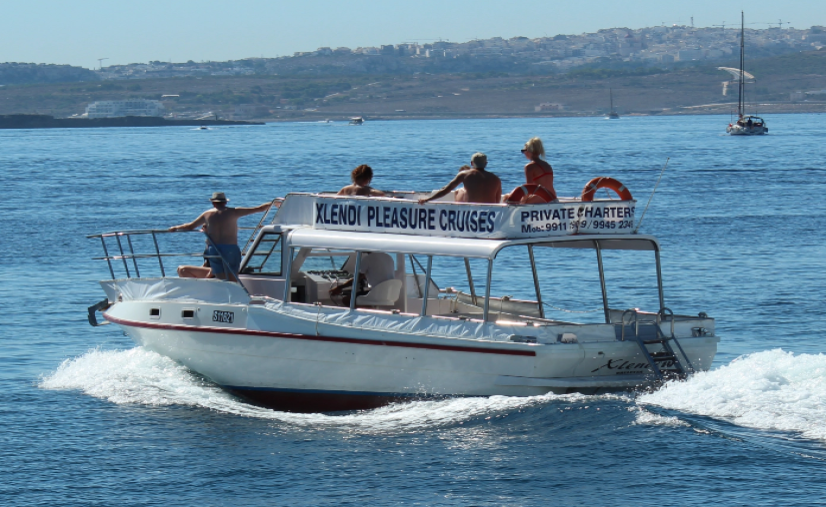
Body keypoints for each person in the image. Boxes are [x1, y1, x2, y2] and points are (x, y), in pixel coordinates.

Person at [169, 192, 272, 280]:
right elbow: (259, 209)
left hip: (214, 249)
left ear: (213, 203)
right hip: (230, 248)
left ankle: (221, 293)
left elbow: (190, 226)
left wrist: (175, 227)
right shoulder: (234, 212)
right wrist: (273, 203)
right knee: (232, 277)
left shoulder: (207, 214)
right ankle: (235, 293)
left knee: (220, 277)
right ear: (225, 202)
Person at [418, 153, 502, 205]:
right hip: (490, 213)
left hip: (472, 212)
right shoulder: (496, 179)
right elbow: (497, 201)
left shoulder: (464, 174)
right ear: (486, 163)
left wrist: (428, 199)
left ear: (472, 163)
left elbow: (446, 190)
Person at [329, 251, 395, 307]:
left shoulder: (368, 259)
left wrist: (339, 287)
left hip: (376, 294)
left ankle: (368, 312)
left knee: (347, 299)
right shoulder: (389, 257)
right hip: (389, 294)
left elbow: (357, 279)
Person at [505, 137, 557, 202]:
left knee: (507, 197)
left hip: (540, 197)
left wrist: (521, 199)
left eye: (523, 150)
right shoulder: (547, 165)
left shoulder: (529, 167)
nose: (524, 153)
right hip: (552, 196)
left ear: (528, 151)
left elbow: (528, 188)